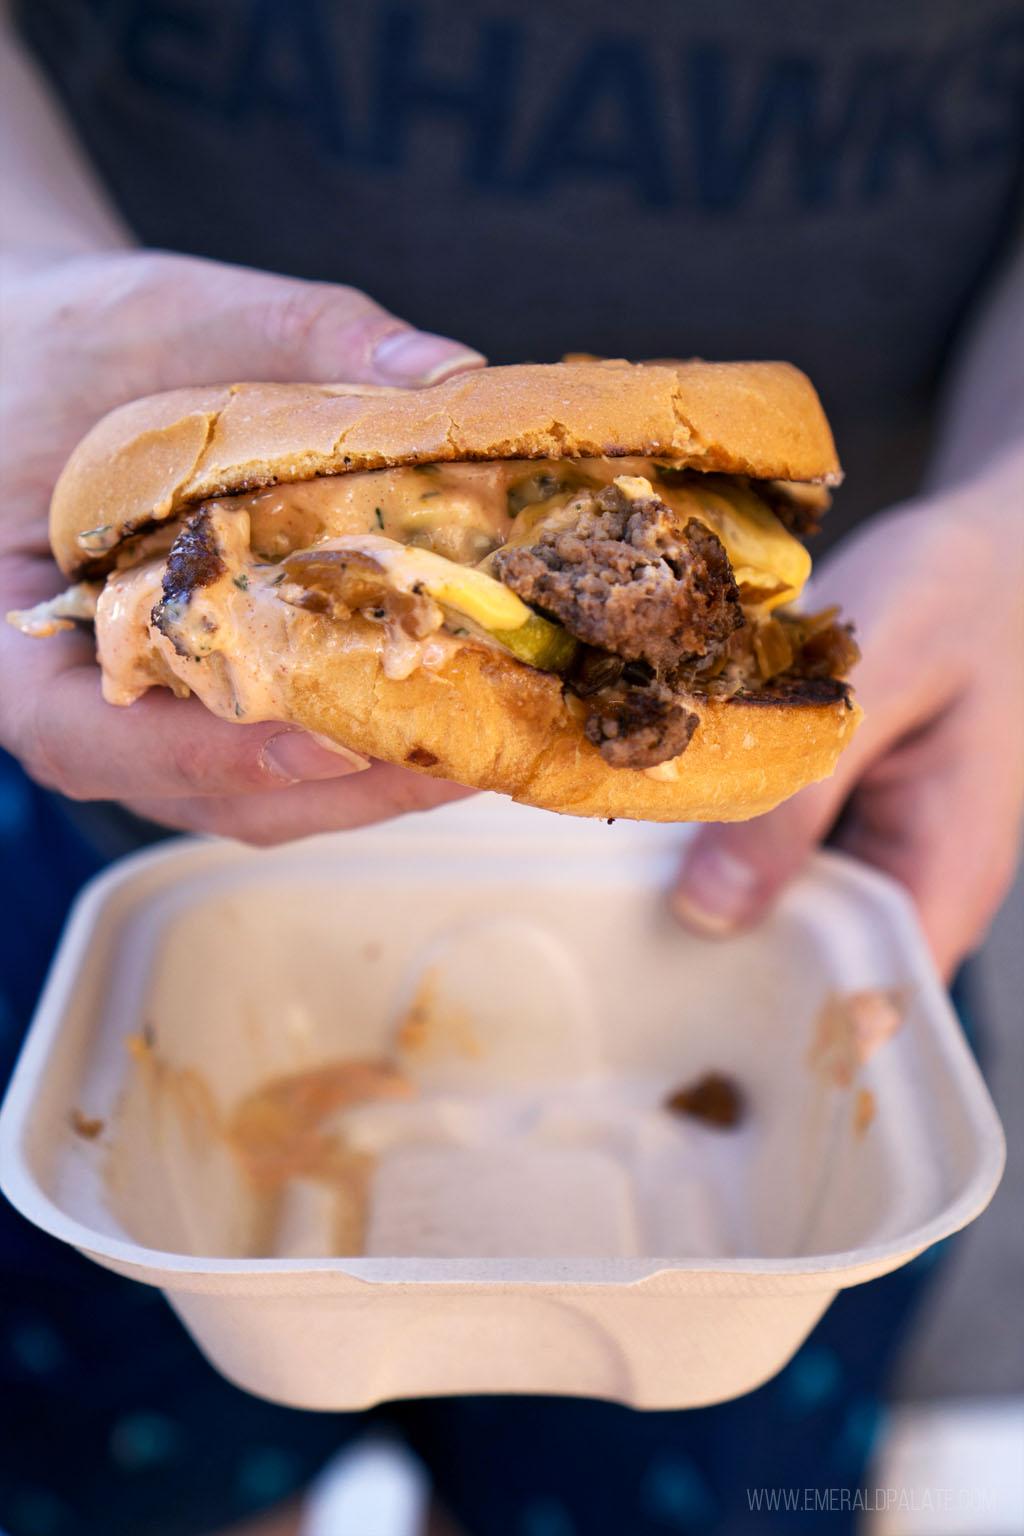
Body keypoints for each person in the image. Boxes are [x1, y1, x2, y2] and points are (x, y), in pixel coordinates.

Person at [1, 4, 1021, 1533]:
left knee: (711, 1489)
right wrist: (21, 278)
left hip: (796, 864)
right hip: (99, 824)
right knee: (128, 1472)